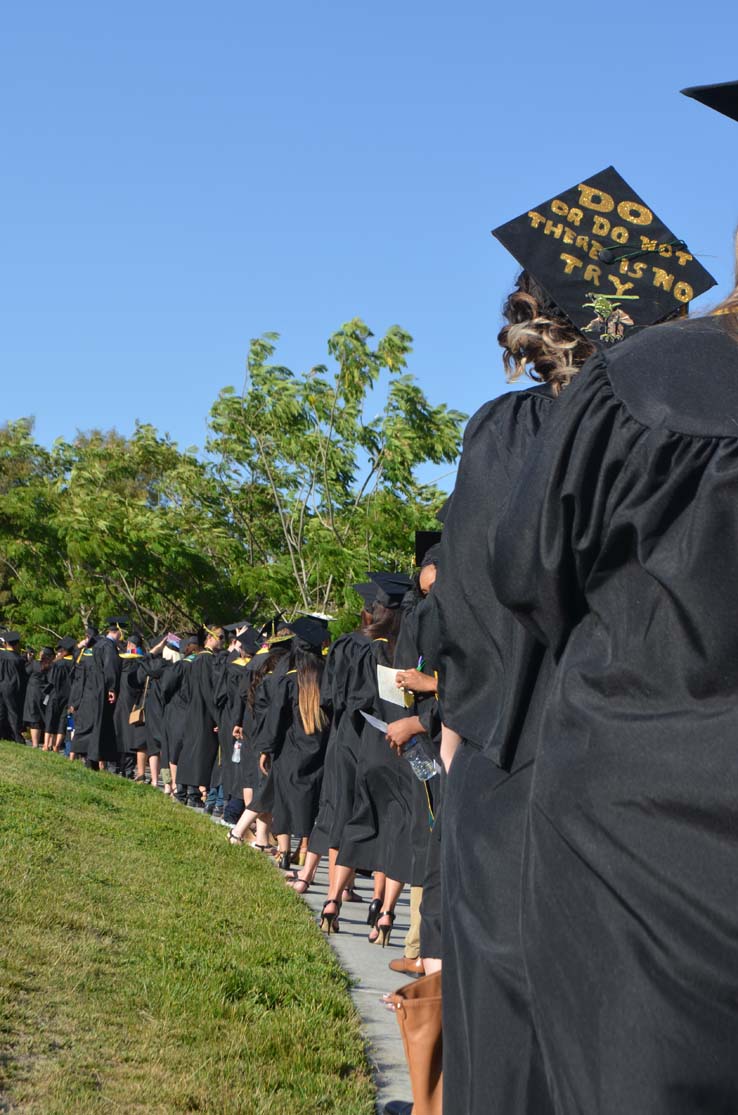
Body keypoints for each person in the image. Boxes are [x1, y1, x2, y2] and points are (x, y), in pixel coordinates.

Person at [434, 168, 717, 1115]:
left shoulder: (510, 432)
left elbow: (488, 596)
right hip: (635, 782)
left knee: (510, 1053)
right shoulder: (671, 408)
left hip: (511, 775)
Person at [70, 617, 124, 769]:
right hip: (100, 690)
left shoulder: (96, 645)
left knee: (90, 723)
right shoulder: (108, 646)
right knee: (98, 724)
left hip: (89, 690)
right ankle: (92, 760)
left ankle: (88, 758)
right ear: (119, 632)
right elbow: (110, 668)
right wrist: (112, 688)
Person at [43, 637, 77, 751]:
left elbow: (51, 680)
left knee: (50, 718)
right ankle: (56, 746)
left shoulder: (58, 664)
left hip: (55, 694)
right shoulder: (75, 663)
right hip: (69, 696)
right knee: (63, 721)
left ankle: (46, 744)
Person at [23, 645, 54, 748]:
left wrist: (28, 660)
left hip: (33, 693)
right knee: (46, 718)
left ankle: (35, 744)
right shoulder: (53, 666)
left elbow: (24, 673)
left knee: (34, 718)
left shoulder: (34, 664)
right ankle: (48, 744)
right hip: (47, 694)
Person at [0, 631, 27, 743]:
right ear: (16, 644)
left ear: (6, 643)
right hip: (12, 687)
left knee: (1, 710)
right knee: (13, 712)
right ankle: (16, 736)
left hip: (1, 684)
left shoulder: (1, 656)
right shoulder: (19, 659)